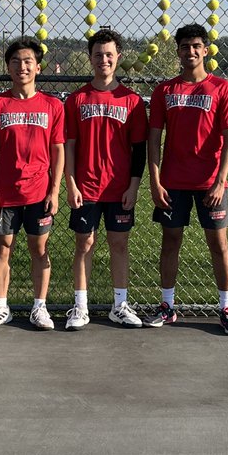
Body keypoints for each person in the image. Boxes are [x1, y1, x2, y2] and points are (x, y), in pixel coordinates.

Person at [145, 23, 228, 335]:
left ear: (205, 50)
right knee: (170, 241)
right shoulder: (165, 90)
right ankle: (167, 306)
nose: (191, 51)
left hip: (209, 184)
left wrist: (220, 180)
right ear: (178, 51)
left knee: (218, 243)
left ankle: (226, 308)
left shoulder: (222, 88)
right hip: (173, 181)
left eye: (196, 46)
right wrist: (155, 180)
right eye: (185, 46)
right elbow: (153, 139)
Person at [63, 27, 148, 330]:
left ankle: (120, 305)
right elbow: (69, 146)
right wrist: (70, 183)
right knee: (84, 243)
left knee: (119, 244)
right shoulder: (76, 100)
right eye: (98, 55)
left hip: (120, 187)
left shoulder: (132, 101)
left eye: (109, 54)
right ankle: (80, 306)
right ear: (90, 58)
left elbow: (139, 150)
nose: (104, 60)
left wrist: (134, 186)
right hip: (86, 187)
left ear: (118, 57)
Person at [0, 37, 65, 330]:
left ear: (38, 67)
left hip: (39, 192)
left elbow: (58, 151)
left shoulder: (53, 105)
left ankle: (39, 308)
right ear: (8, 67)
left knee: (39, 250)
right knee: (3, 247)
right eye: (15, 61)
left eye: (28, 61)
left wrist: (55, 191)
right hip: (5, 193)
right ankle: (1, 306)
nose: (22, 67)